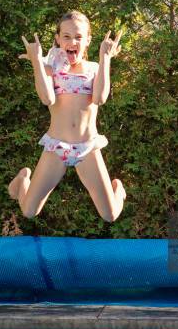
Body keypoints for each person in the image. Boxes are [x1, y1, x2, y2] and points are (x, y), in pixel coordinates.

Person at [8, 11, 126, 222]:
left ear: (88, 40)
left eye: (79, 37)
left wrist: (105, 57)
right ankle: (23, 179)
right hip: (57, 147)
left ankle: (118, 189)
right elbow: (47, 99)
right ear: (58, 39)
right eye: (67, 36)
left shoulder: (94, 68)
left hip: (86, 148)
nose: (73, 41)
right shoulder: (50, 68)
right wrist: (36, 60)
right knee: (29, 211)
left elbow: (99, 98)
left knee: (110, 215)